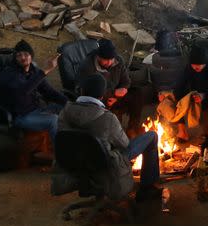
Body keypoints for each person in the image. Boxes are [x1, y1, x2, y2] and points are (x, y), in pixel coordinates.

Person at [58, 73, 161, 202]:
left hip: (73, 163)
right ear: (102, 96)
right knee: (152, 136)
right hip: (104, 165)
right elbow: (124, 144)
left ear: (82, 91)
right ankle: (147, 189)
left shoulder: (64, 112)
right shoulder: (107, 118)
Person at [0, 40, 67, 144]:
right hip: (21, 117)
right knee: (53, 120)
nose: (23, 58)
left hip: (37, 109)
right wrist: (45, 70)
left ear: (31, 56)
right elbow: (24, 90)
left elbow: (48, 91)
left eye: (26, 54)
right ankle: (60, 157)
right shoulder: (9, 73)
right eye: (19, 55)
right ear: (15, 58)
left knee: (67, 110)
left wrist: (70, 103)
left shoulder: (32, 70)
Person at [77, 38, 144, 136]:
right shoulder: (87, 67)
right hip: (98, 100)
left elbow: (126, 81)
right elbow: (83, 91)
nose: (109, 63)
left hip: (116, 96)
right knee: (114, 120)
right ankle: (114, 137)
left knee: (137, 93)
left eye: (111, 59)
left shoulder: (118, 60)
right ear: (98, 56)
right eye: (105, 60)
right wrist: (112, 94)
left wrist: (119, 94)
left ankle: (132, 129)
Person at [171, 45, 208, 143]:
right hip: (197, 95)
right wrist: (166, 93)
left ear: (206, 62)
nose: (195, 67)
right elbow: (180, 85)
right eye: (193, 65)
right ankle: (182, 131)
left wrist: (204, 96)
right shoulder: (190, 67)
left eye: (199, 65)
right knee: (176, 93)